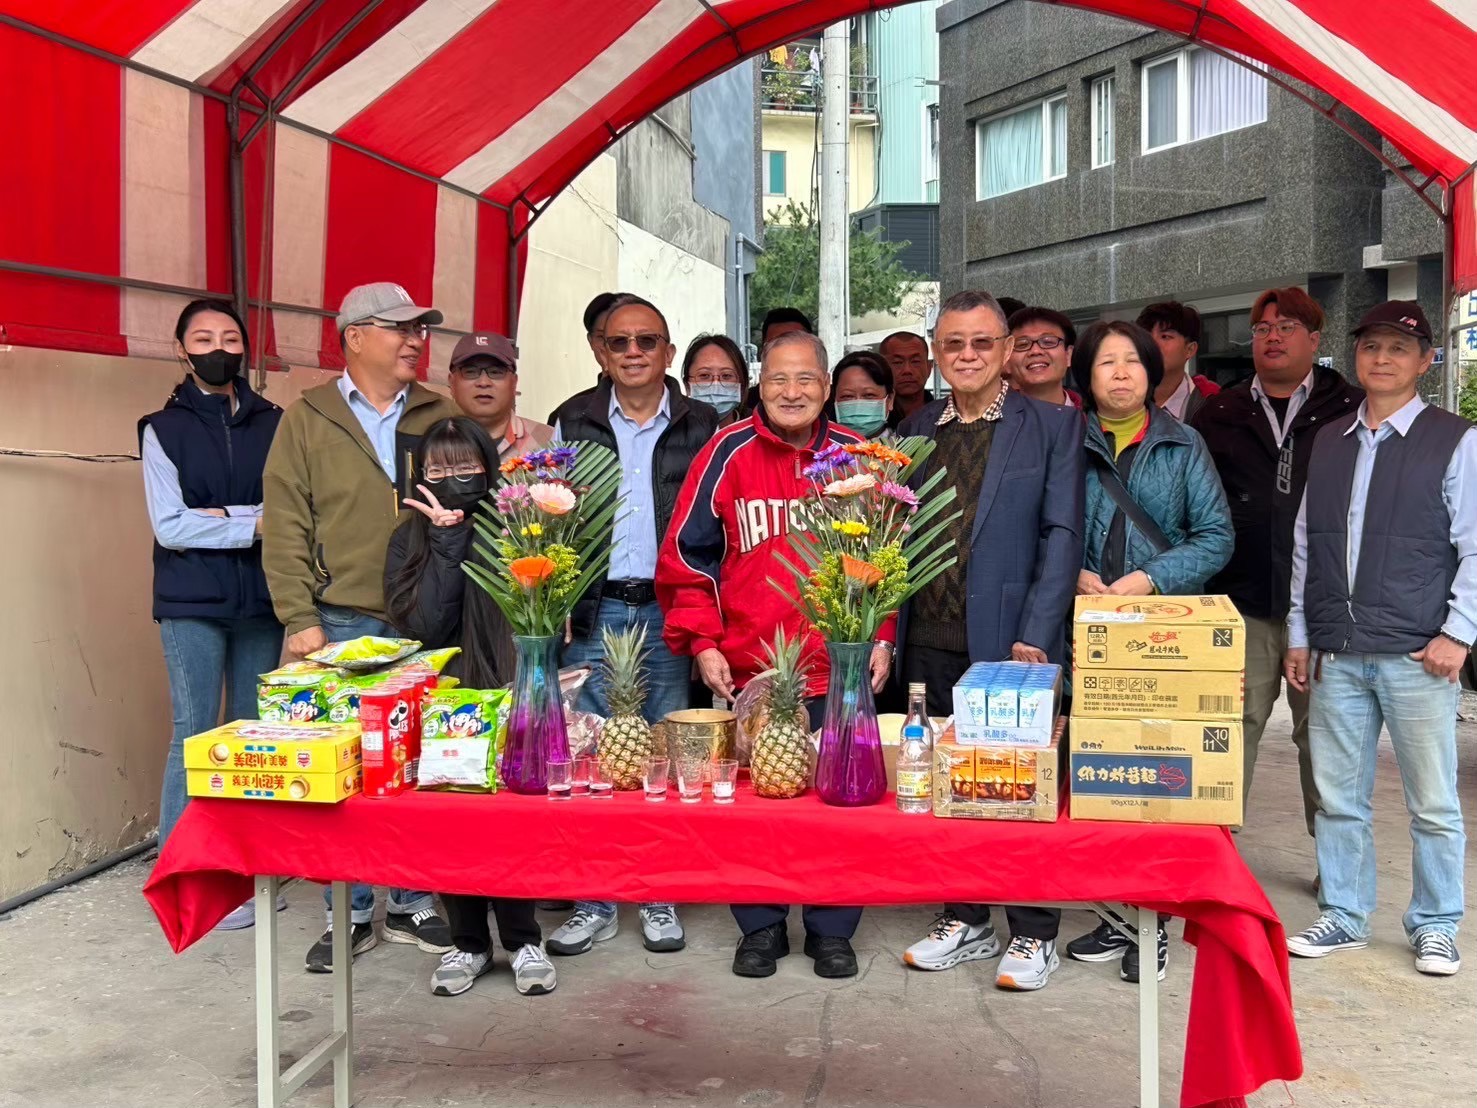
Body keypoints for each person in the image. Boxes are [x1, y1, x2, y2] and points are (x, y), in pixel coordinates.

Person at [658, 330, 892, 980]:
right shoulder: (725, 452)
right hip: (751, 670)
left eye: (806, 379)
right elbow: (687, 555)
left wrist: (882, 634)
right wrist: (702, 641)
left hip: (836, 665)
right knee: (754, 808)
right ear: (760, 385)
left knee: (840, 805)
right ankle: (759, 925)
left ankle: (831, 928)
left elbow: (886, 555)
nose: (792, 392)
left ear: (827, 386)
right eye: (779, 379)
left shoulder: (856, 458)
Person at [263, 281, 457, 972]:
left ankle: (411, 900)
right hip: (340, 618)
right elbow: (285, 522)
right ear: (354, 336)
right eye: (399, 328)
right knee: (342, 776)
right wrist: (299, 617)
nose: (415, 340)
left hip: (424, 615)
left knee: (417, 767)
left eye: (419, 329)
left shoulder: (439, 413)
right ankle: (346, 910)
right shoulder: (307, 418)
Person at [896, 289, 1083, 992]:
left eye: (982, 343)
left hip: (1012, 646)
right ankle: (964, 916)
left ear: (1006, 352)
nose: (967, 355)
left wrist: (1037, 633)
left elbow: (1061, 534)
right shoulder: (913, 429)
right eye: (953, 344)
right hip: (927, 637)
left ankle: (1034, 930)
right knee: (949, 788)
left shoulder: (1051, 426)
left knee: (1019, 788)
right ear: (936, 354)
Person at [1283, 301, 1472, 977]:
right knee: (1338, 798)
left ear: (1426, 361)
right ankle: (1343, 913)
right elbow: (1306, 545)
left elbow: (1474, 545)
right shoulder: (1329, 440)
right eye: (1370, 346)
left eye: (1398, 348)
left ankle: (1436, 924)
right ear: (1355, 356)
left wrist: (1458, 633)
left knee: (1433, 803)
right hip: (1336, 652)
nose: (1382, 358)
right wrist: (1300, 632)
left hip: (1417, 654)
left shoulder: (1454, 440)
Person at [546, 294, 718, 958]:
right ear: (600, 350)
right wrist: (558, 603)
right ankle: (594, 897)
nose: (634, 352)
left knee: (664, 753)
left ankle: (657, 891)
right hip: (595, 609)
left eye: (647, 340)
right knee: (591, 756)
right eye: (619, 342)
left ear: (668, 352)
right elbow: (550, 518)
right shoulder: (572, 420)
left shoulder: (704, 423)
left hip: (669, 608)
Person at [1060, 321, 1233, 983]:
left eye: (1132, 360)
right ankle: (1114, 916)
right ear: (1086, 375)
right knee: (1099, 779)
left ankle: (1151, 922)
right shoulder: (1062, 442)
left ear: (1151, 371)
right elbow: (1041, 526)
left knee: (1155, 783)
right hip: (1083, 632)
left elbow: (1215, 536)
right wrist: (1070, 573)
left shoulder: (1183, 444)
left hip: (1159, 638)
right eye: (1105, 362)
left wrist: (1150, 578)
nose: (1121, 373)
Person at [384, 416, 558, 997]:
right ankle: (468, 943)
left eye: (466, 466)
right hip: (445, 704)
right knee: (451, 825)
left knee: (511, 823)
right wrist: (446, 542)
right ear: (420, 475)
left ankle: (524, 938)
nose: (453, 479)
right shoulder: (409, 537)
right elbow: (426, 625)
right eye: (438, 469)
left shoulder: (517, 527)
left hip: (510, 689)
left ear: (488, 467)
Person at [1190, 288, 1361, 842]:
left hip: (1328, 604)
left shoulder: (1351, 409)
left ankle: (1335, 866)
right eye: (1263, 329)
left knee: (1326, 734)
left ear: (1314, 339)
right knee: (1232, 727)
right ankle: (1216, 855)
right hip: (1244, 600)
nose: (1272, 338)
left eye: (1287, 327)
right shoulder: (1219, 412)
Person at [141, 300, 284, 930]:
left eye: (229, 337)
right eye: (202, 339)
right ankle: (187, 879)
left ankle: (246, 874)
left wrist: (226, 517)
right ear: (181, 350)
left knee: (252, 738)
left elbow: (292, 512)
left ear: (245, 347)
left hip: (262, 599)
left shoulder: (276, 423)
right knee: (195, 734)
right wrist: (252, 522)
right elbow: (171, 527)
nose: (217, 349)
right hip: (191, 602)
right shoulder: (161, 429)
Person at [447, 331, 552, 459]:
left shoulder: (549, 442)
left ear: (514, 383)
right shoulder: (429, 440)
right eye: (470, 372)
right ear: (451, 383)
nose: (484, 383)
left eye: (496, 372)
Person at [1136, 301, 1219, 421]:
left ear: (1190, 349)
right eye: (1146, 336)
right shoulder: (1118, 398)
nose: (1152, 344)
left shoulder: (1212, 404)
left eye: (1165, 337)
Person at [548, 291, 622, 423]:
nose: (611, 345)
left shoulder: (664, 407)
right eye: (602, 336)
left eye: (620, 337)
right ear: (591, 341)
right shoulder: (567, 417)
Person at [1006, 307, 1079, 408]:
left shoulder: (1092, 415)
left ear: (1068, 355)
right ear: (1006, 360)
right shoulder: (989, 416)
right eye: (1022, 344)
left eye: (1048, 342)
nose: (1035, 351)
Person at [830, 350, 900, 443]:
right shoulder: (821, 449)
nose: (857, 407)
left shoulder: (906, 448)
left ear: (890, 400)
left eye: (869, 395)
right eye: (847, 396)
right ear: (835, 399)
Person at [682, 333, 749, 429]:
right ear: (687, 386)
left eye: (726, 376)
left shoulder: (758, 433)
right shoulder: (671, 433)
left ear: (742, 385)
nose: (716, 386)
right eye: (704, 375)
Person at [880, 330, 934, 428]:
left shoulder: (945, 417)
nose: (907, 370)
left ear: (929, 368)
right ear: (882, 369)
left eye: (915, 361)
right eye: (897, 362)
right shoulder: (872, 422)